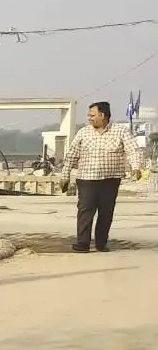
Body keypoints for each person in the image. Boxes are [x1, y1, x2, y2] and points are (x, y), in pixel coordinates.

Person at [61, 101, 142, 252]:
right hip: (87, 179)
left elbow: (133, 150)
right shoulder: (83, 132)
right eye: (89, 115)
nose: (89, 118)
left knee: (106, 212)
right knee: (85, 210)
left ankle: (101, 243)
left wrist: (136, 167)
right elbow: (72, 155)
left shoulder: (120, 131)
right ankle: (83, 244)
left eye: (92, 115)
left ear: (102, 115)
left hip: (110, 180)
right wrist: (65, 176)